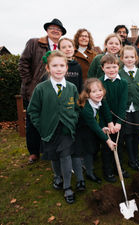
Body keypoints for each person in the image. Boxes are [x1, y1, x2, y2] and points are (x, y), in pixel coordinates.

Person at [27, 51, 78, 204]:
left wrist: (73, 120)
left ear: (66, 68)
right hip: (49, 130)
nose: (58, 69)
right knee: (54, 156)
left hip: (66, 130)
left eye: (62, 65)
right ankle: (58, 176)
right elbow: (32, 110)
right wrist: (41, 126)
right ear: (48, 68)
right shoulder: (41, 88)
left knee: (65, 155)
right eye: (54, 65)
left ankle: (68, 186)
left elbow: (76, 107)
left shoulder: (71, 87)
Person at [18, 18, 66, 163]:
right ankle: (33, 152)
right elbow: (23, 62)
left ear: (61, 33)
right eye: (52, 28)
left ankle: (47, 150)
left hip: (53, 92)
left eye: (58, 29)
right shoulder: (34, 43)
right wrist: (29, 83)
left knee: (49, 121)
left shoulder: (62, 47)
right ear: (47, 30)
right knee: (33, 122)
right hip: (34, 91)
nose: (55, 30)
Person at [76, 78, 116, 184]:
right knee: (88, 149)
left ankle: (86, 163)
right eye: (94, 91)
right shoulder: (86, 109)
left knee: (93, 148)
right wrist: (108, 140)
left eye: (100, 90)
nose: (98, 93)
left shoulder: (101, 100)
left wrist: (107, 124)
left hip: (91, 127)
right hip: (81, 129)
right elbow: (93, 125)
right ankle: (89, 172)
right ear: (88, 94)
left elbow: (105, 112)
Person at [99, 54, 129, 181]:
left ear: (118, 67)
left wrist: (119, 122)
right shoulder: (100, 82)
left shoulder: (123, 83)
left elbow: (123, 103)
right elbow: (103, 103)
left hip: (118, 122)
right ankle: (108, 170)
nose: (111, 70)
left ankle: (119, 167)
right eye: (108, 67)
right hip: (105, 120)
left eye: (114, 67)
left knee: (119, 144)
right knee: (106, 146)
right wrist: (110, 122)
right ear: (102, 68)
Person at [119, 45, 139, 171]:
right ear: (122, 58)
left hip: (137, 108)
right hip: (125, 110)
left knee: (136, 134)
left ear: (136, 58)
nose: (129, 59)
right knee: (128, 135)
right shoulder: (120, 73)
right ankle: (131, 160)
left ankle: (136, 158)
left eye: (132, 57)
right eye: (126, 57)